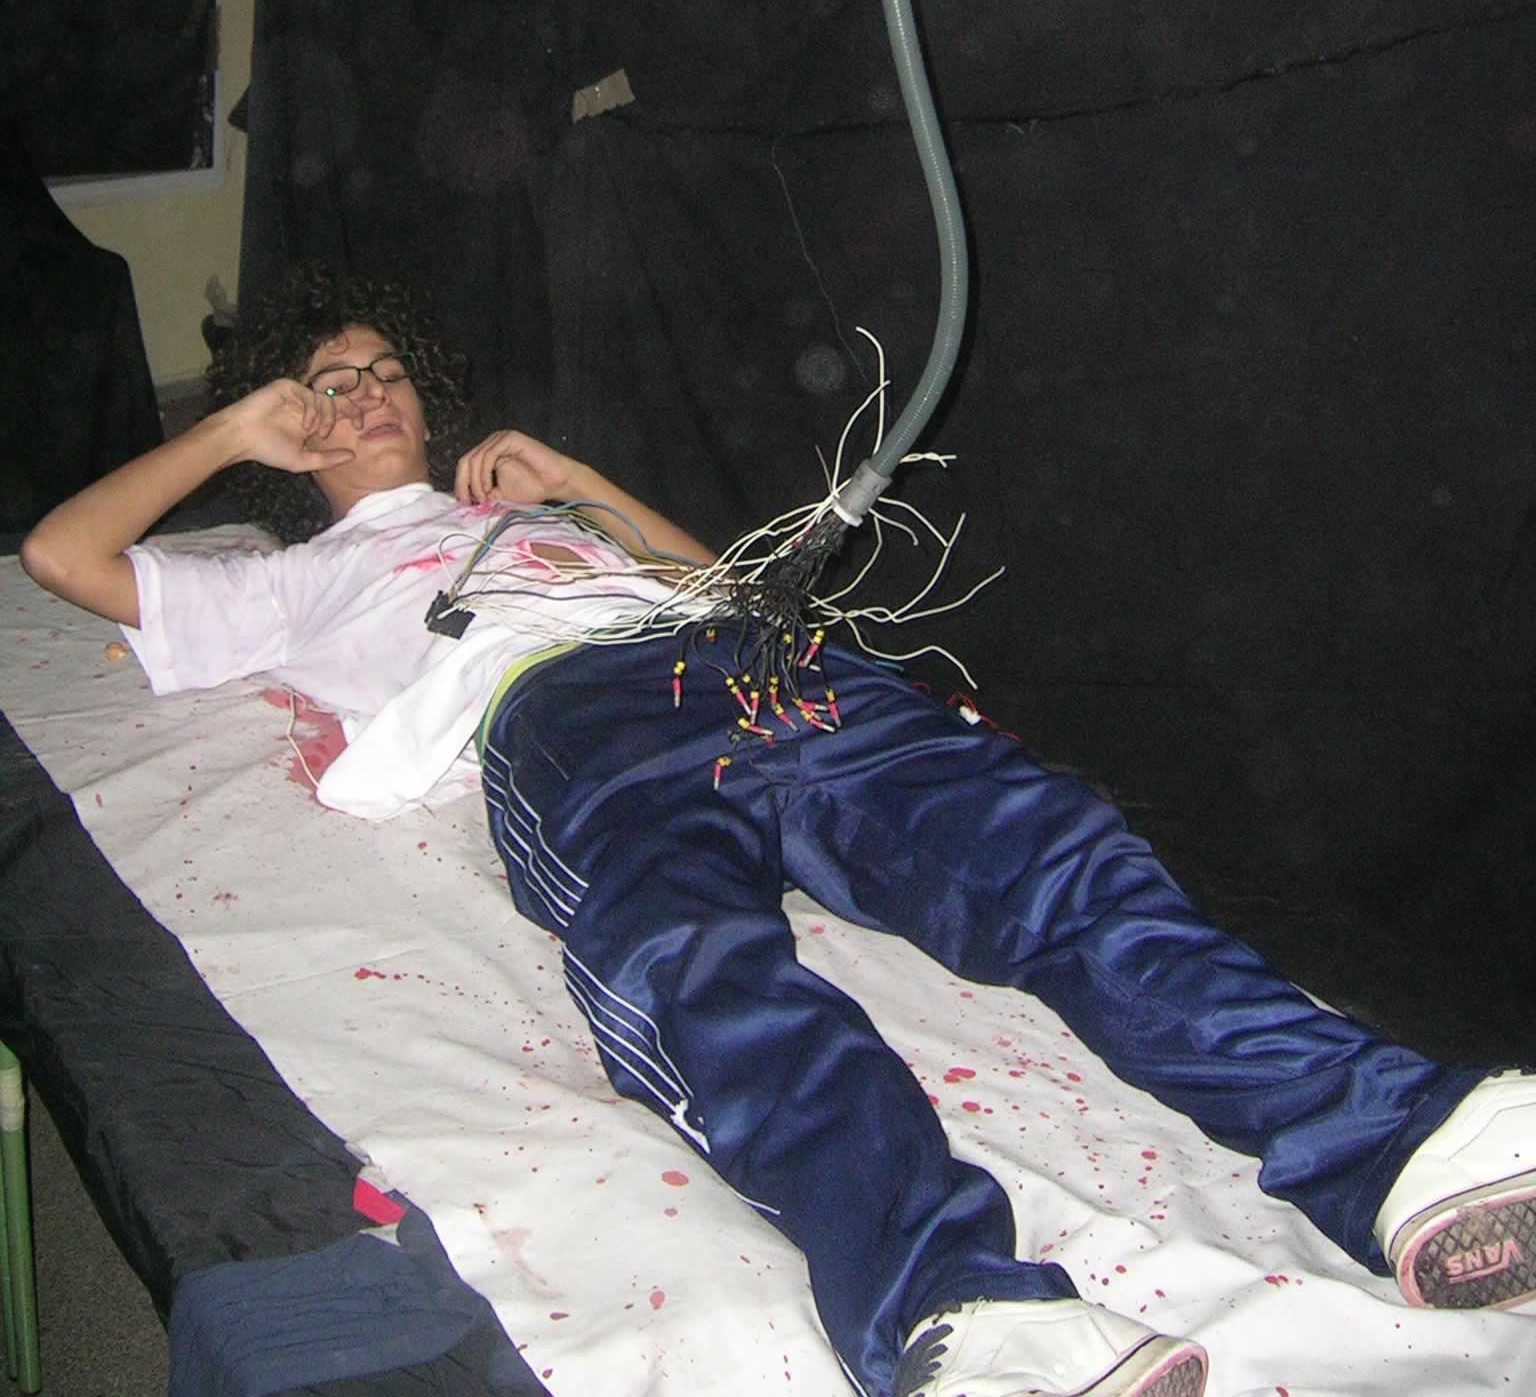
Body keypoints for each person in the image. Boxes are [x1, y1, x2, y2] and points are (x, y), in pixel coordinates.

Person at [21, 266, 1536, 1397]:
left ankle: (1396, 1140)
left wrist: (576, 486)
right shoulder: (286, 581)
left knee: (1045, 850)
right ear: (289, 429)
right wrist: (231, 428)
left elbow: (731, 591)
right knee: (705, 973)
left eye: (385, 372)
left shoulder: (538, 511)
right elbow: (59, 555)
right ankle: (963, 1312)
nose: (366, 395)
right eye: (329, 384)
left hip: (750, 664)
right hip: (566, 719)